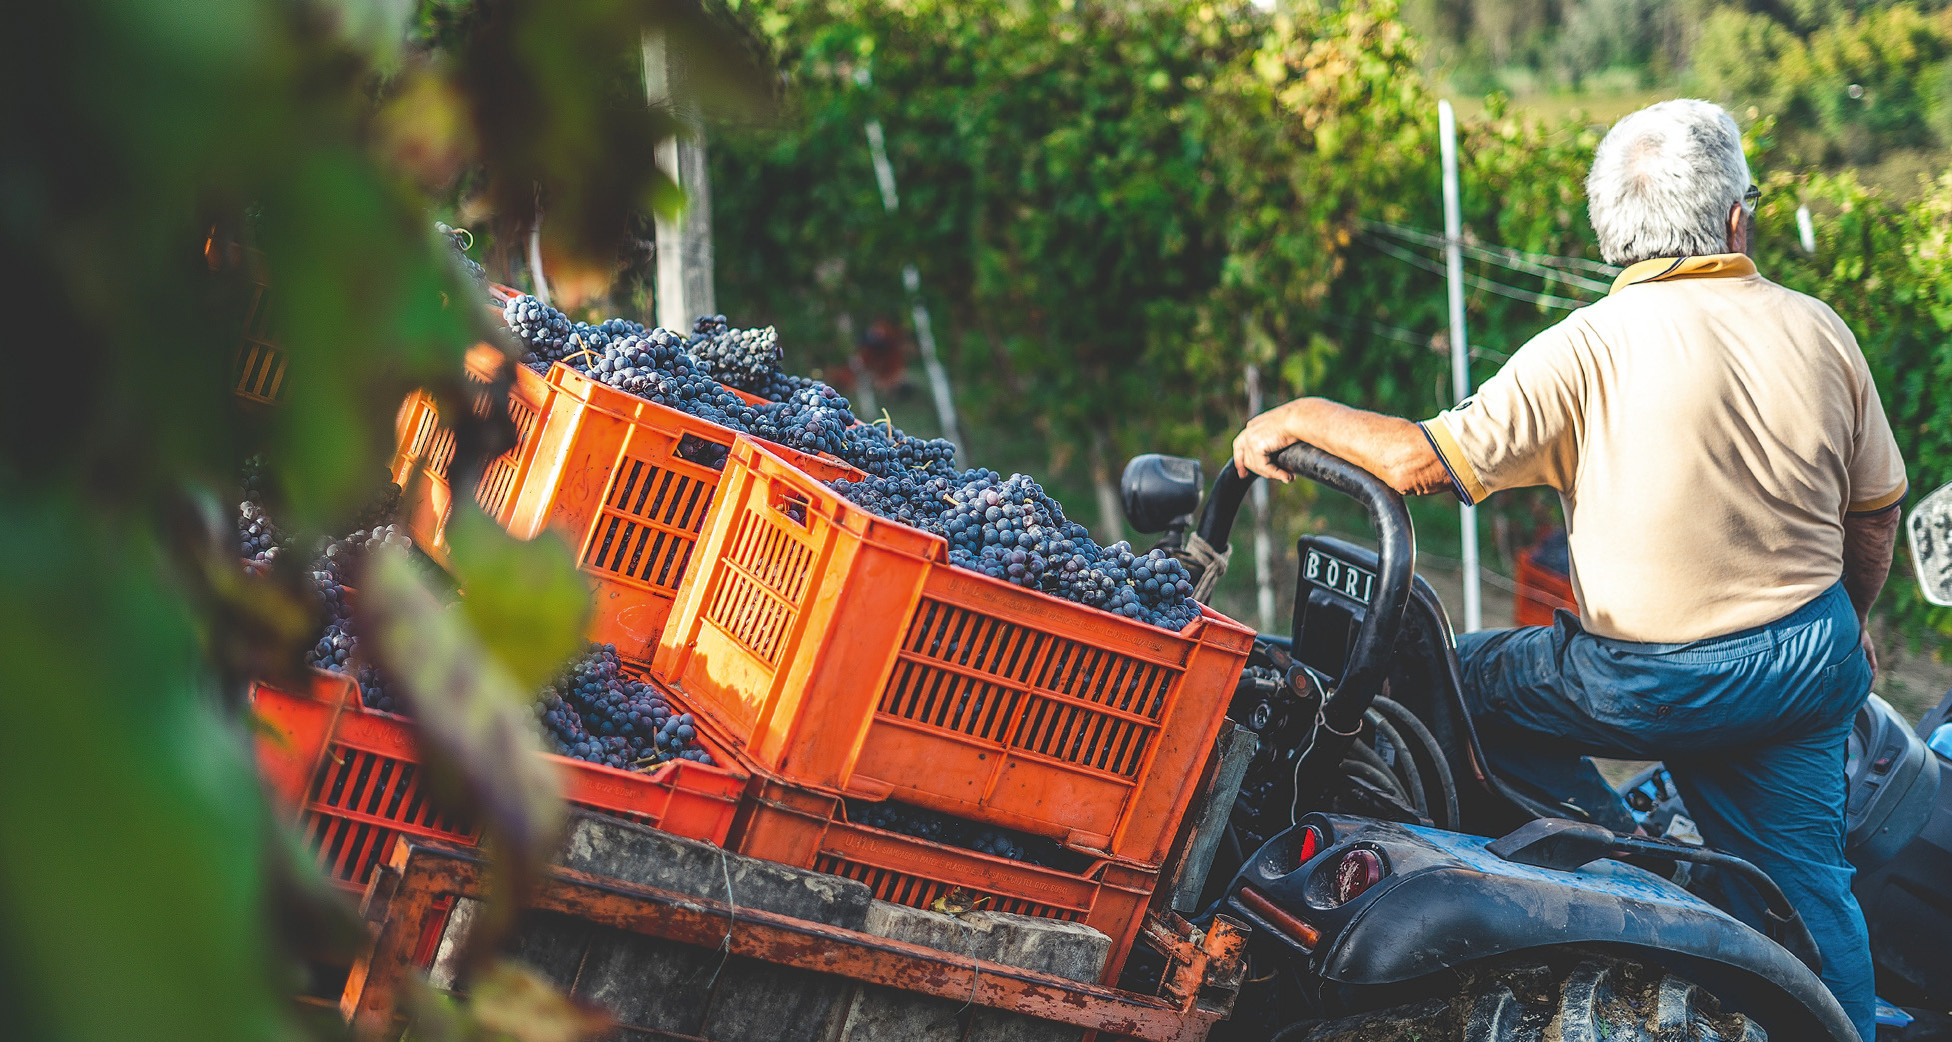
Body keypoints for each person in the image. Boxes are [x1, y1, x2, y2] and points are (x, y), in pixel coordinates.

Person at [1232, 99, 1903, 1042]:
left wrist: (1297, 415)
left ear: (1609, 233)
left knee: (1460, 680)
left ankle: (1618, 866)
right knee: (1812, 893)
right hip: (1802, 664)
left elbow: (1422, 463)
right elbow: (1875, 516)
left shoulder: (1586, 348)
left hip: (1649, 682)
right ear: (1735, 221)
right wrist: (1849, 623)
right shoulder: (1820, 330)